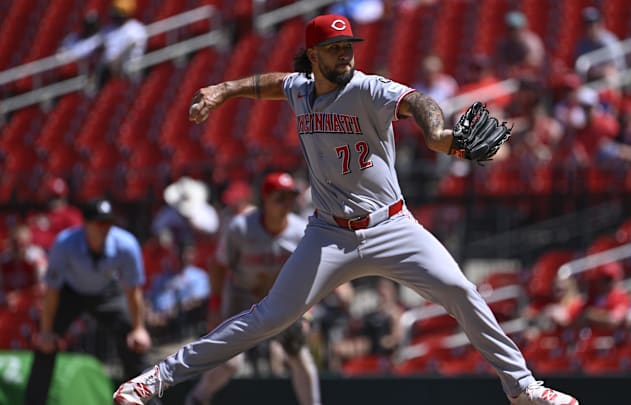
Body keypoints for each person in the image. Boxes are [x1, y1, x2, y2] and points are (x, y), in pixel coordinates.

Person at [114, 14, 579, 405]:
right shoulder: (302, 89)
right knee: (267, 318)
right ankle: (156, 380)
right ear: (314, 56)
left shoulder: (368, 89)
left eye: (348, 47)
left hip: (392, 226)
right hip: (328, 235)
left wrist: (438, 135)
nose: (346, 55)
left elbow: (417, 100)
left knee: (460, 290)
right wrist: (223, 89)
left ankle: (523, 389)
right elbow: (272, 84)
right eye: (335, 48)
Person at [183, 172, 320, 405]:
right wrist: (215, 308)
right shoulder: (241, 228)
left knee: (299, 356)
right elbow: (218, 266)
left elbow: (311, 275)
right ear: (265, 200)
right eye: (280, 198)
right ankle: (197, 399)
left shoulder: (301, 231)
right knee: (229, 362)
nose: (287, 204)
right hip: (241, 297)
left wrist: (307, 312)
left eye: (290, 198)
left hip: (280, 300)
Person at [26, 199, 154, 405]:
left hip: (107, 291)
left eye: (109, 223)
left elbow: (133, 291)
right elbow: (51, 291)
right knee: (45, 346)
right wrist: (46, 331)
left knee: (135, 344)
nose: (105, 229)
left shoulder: (126, 244)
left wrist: (139, 328)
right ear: (85, 224)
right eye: (99, 223)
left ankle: (144, 401)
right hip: (70, 292)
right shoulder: (65, 243)